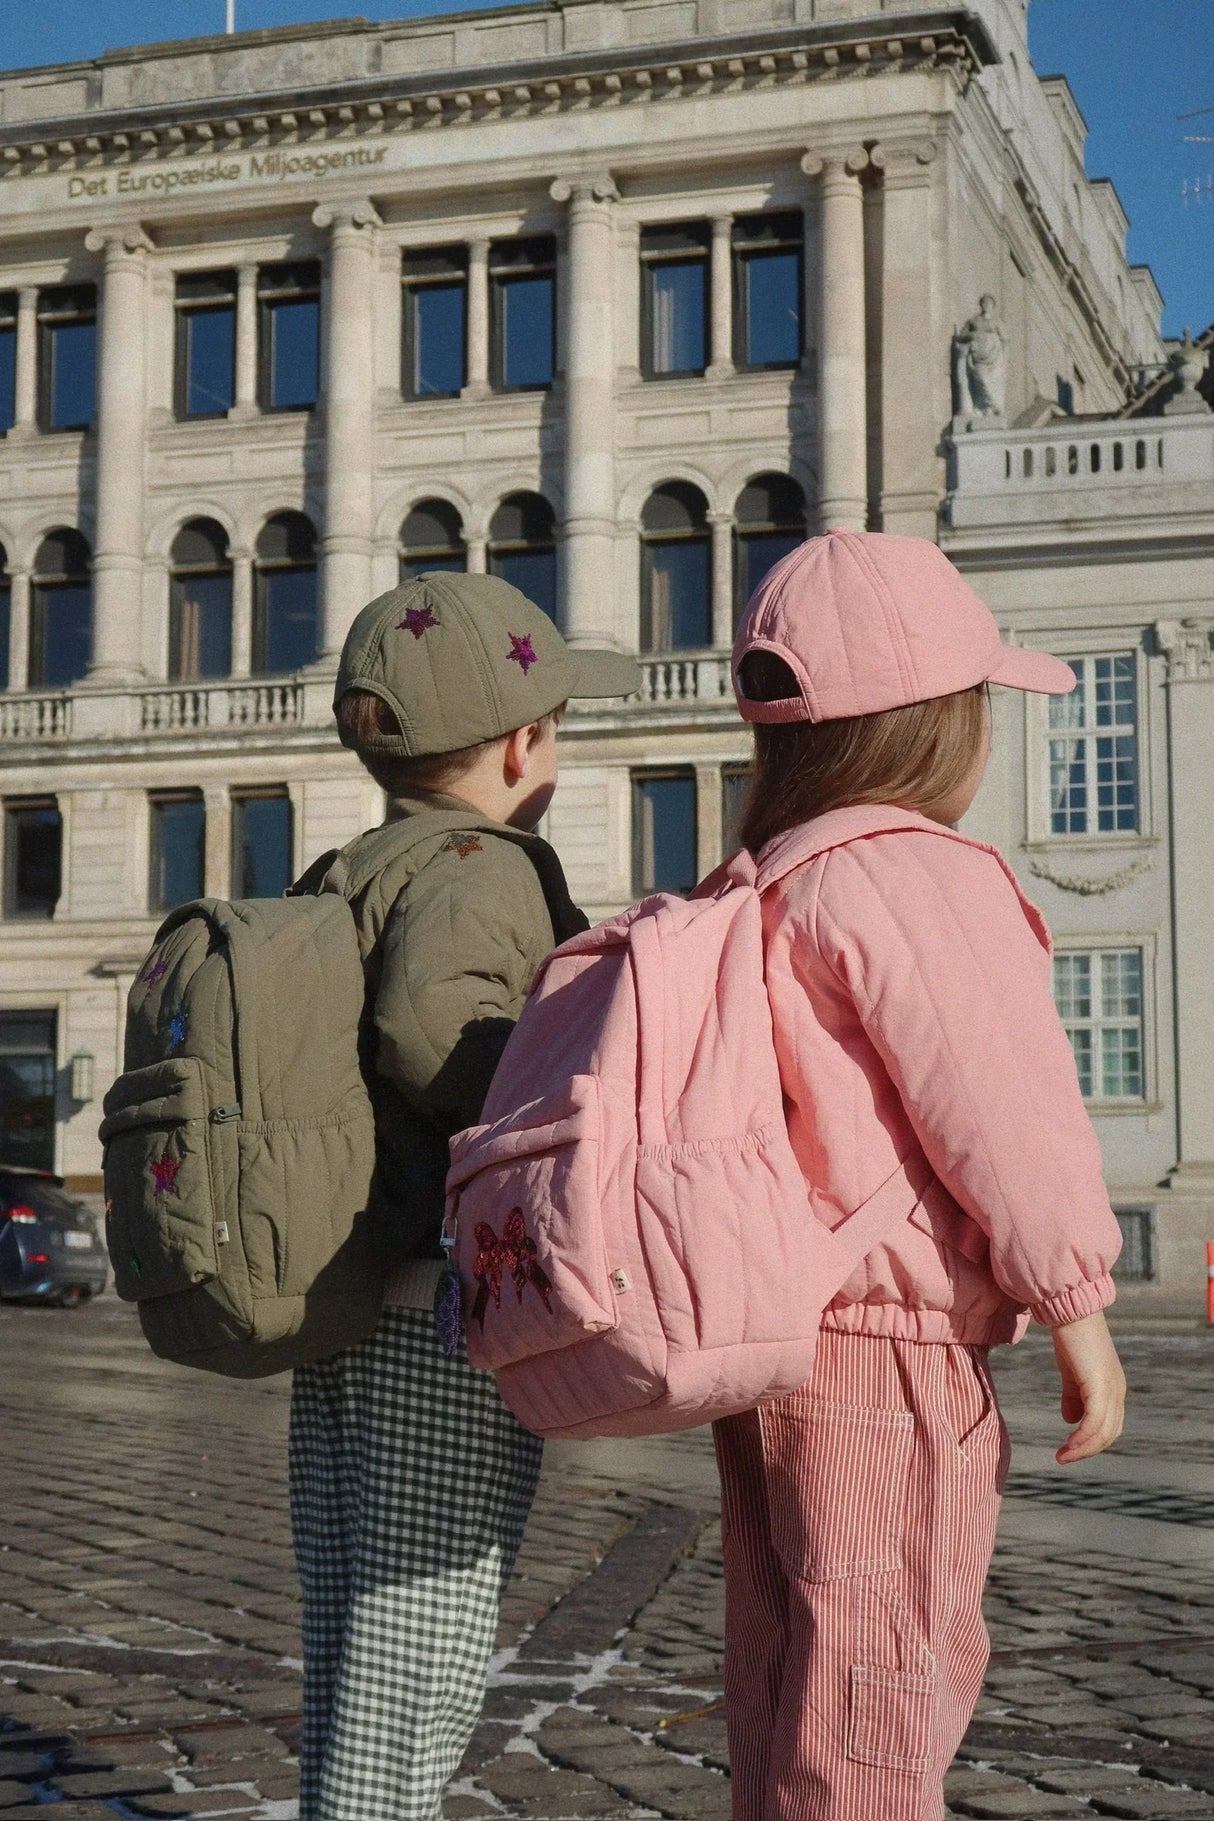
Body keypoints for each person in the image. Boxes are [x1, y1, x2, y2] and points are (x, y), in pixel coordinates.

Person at [714, 529, 1126, 1821]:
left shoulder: (758, 878)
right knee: (885, 1695)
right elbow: (1000, 1107)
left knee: (789, 1684)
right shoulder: (916, 873)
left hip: (773, 1347)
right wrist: (1078, 1307)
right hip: (888, 1353)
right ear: (934, 725)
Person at [287, 571, 638, 1821]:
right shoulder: (486, 863)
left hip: (346, 1291)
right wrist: (554, 1095)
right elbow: (434, 1025)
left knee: (353, 1613)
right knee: (420, 1632)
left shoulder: (358, 859)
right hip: (438, 1307)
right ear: (521, 743)